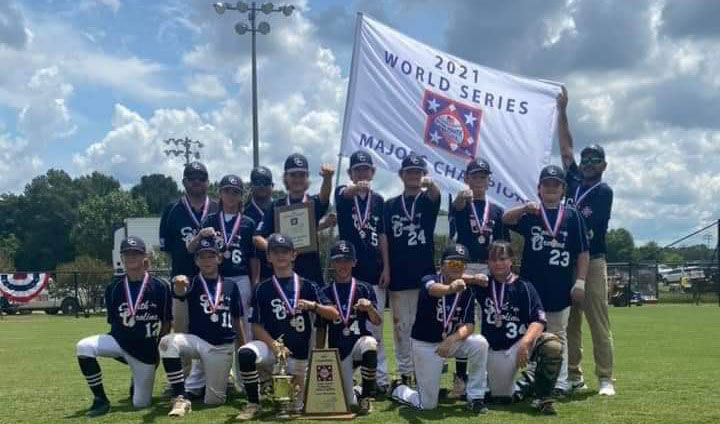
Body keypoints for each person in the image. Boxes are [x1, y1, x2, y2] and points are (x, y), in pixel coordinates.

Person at [502, 164, 589, 396]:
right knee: (531, 332)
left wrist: (580, 281)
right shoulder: (532, 213)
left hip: (560, 285)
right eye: (546, 184)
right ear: (539, 188)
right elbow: (505, 219)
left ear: (563, 189)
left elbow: (582, 252)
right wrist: (523, 208)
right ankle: (532, 377)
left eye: (556, 185)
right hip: (532, 286)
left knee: (559, 334)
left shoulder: (573, 215)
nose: (551, 188)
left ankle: (559, 382)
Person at [235, 233, 339, 420]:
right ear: (268, 257)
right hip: (271, 349)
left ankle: (272, 385)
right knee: (245, 353)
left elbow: (334, 313)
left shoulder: (308, 285)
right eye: (275, 252)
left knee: (295, 405)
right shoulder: (262, 288)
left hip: (298, 354)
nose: (280, 256)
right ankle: (254, 402)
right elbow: (255, 326)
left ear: (294, 255)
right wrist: (274, 345)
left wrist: (313, 306)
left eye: (285, 251)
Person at [557, 87, 616, 396]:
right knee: (570, 322)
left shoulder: (603, 192)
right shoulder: (574, 180)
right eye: (586, 158)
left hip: (592, 260)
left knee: (597, 318)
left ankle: (605, 378)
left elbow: (582, 223)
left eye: (596, 159)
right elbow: (566, 148)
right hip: (567, 260)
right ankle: (572, 374)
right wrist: (562, 110)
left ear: (604, 165)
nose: (589, 162)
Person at [76, 236, 172, 417]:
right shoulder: (114, 287)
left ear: (145, 255)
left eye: (136, 253)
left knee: (140, 404)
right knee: (84, 347)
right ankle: (100, 400)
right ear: (122, 257)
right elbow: (113, 323)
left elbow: (167, 321)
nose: (131, 257)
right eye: (127, 254)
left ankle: (136, 379)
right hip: (119, 342)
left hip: (145, 352)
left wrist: (157, 351)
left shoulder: (160, 286)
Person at [391, 243, 489, 413]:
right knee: (427, 405)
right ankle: (399, 389)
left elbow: (470, 325)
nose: (456, 267)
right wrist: (451, 289)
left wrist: (452, 339)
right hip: (425, 344)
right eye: (452, 263)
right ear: (442, 264)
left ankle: (476, 397)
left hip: (449, 342)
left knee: (479, 343)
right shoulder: (430, 279)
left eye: (461, 264)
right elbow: (433, 290)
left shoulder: (467, 290)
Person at [469, 241, 563, 415]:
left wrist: (526, 343)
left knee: (552, 345)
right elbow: (451, 276)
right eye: (493, 259)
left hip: (516, 346)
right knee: (502, 397)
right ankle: (526, 383)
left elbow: (539, 320)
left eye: (503, 259)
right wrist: (473, 277)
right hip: (491, 350)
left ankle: (543, 398)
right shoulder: (481, 285)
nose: (498, 263)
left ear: (511, 260)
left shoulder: (524, 286)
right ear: (487, 262)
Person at [159, 235, 245, 417]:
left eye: (211, 256)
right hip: (198, 341)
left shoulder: (230, 285)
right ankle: (179, 396)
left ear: (219, 258)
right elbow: (180, 294)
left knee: (214, 401)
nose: (207, 260)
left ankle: (202, 382)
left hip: (221, 346)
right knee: (167, 342)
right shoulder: (192, 282)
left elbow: (237, 319)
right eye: (202, 257)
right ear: (196, 260)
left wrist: (243, 346)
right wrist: (179, 286)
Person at [449, 157, 510, 396]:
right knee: (462, 320)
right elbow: (457, 210)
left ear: (489, 181)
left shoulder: (496, 210)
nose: (478, 181)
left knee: (491, 318)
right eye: (474, 176)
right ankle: (460, 379)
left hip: (489, 268)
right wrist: (460, 199)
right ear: (466, 179)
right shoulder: (460, 203)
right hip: (464, 267)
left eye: (483, 177)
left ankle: (487, 375)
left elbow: (502, 243)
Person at [334, 150, 391, 393]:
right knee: (347, 324)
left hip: (373, 271)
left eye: (366, 169)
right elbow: (346, 192)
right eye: (357, 169)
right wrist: (356, 188)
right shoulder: (343, 194)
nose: (362, 173)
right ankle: (349, 374)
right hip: (348, 275)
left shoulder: (379, 200)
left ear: (373, 172)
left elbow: (381, 235)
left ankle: (380, 378)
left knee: (376, 328)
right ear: (350, 173)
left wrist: (387, 266)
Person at [385, 153, 441, 385]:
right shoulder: (390, 205)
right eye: (410, 171)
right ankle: (404, 372)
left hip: (424, 274)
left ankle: (424, 372)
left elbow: (436, 194)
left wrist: (432, 183)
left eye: (418, 172)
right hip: (399, 273)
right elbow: (385, 238)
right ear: (401, 175)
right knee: (401, 326)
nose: (414, 176)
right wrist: (386, 269)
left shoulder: (428, 199)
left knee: (425, 324)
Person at [315, 240, 381, 414]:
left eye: (347, 260)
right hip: (338, 350)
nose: (342, 265)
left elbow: (377, 321)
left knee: (370, 344)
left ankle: (366, 397)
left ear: (354, 262)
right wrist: (319, 355)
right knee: (346, 400)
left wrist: (370, 308)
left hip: (358, 343)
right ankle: (357, 391)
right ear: (331, 263)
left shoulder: (364, 287)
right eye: (338, 260)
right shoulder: (325, 291)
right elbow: (321, 327)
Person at [254, 153, 336, 285]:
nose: (297, 179)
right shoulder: (276, 206)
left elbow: (324, 197)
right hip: (282, 276)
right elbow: (257, 238)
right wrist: (277, 249)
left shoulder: (313, 202)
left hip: (311, 275)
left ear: (307, 177)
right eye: (293, 175)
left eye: (302, 175)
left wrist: (327, 178)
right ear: (286, 177)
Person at [159, 161, 218, 279]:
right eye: (191, 178)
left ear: (208, 182)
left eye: (201, 178)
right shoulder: (171, 210)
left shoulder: (218, 208)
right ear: (184, 182)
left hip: (214, 281)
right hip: (182, 279)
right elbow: (167, 249)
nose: (197, 181)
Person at [243, 166, 275, 283]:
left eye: (265, 182)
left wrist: (322, 224)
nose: (261, 186)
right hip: (254, 276)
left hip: (282, 271)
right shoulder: (244, 213)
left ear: (273, 185)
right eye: (257, 182)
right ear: (251, 186)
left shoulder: (281, 208)